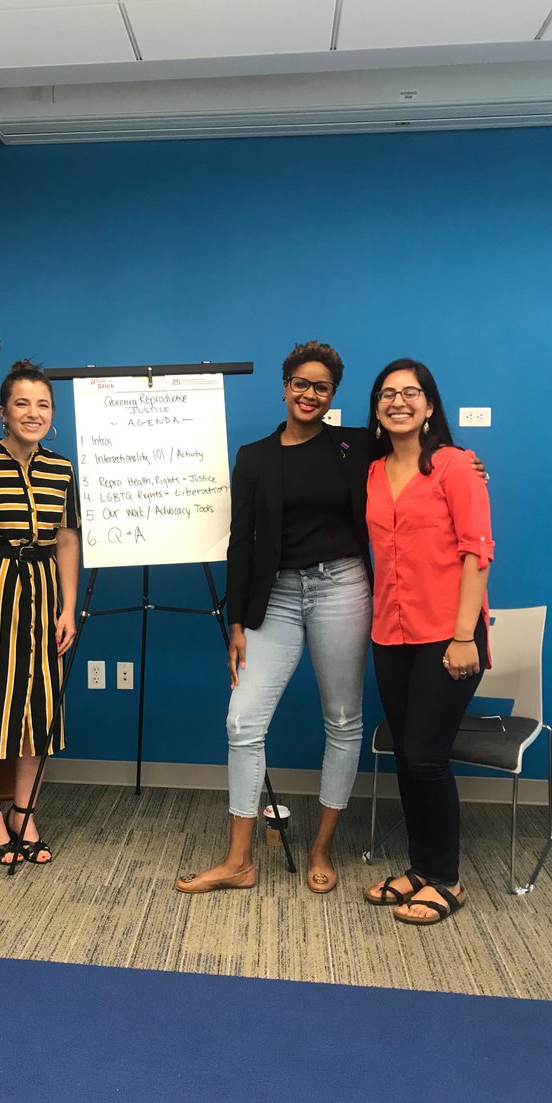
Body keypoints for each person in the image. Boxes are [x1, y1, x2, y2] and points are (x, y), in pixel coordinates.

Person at [176, 341, 374, 894]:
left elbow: (417, 448)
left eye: (321, 387)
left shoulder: (354, 445)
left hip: (342, 587)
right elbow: (241, 542)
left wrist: (462, 462)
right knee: (242, 722)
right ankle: (239, 862)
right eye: (301, 383)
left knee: (342, 720)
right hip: (277, 597)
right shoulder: (255, 457)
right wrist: (236, 623)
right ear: (285, 387)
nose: (310, 394)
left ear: (332, 395)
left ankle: (321, 847)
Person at [363, 359, 493, 926]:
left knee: (425, 756)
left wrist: (465, 636)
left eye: (410, 392)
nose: (398, 401)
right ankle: (421, 868)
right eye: (387, 394)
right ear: (376, 408)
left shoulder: (455, 465)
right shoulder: (370, 471)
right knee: (406, 757)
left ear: (430, 405)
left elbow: (477, 553)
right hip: (390, 634)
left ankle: (447, 880)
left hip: (449, 635)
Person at [0, 360, 80, 866]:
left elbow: (66, 539)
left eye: (43, 404)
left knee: (37, 707)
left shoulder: (61, 469)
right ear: (3, 412)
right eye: (21, 403)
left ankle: (23, 813)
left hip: (44, 592)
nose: (33, 413)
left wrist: (69, 607)